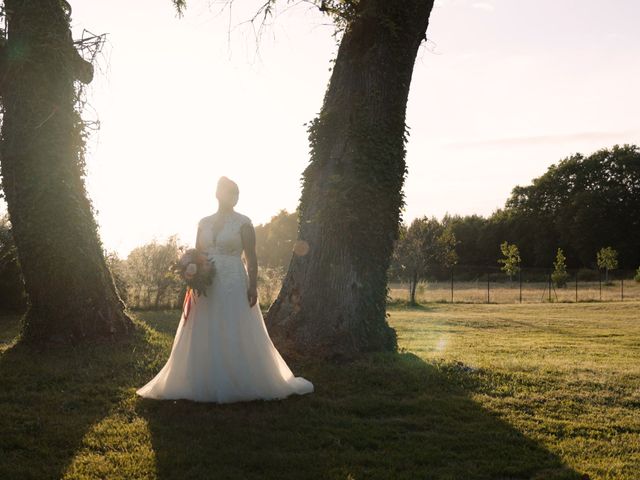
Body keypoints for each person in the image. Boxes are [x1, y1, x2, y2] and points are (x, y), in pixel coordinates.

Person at [136, 176, 314, 403]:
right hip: (206, 281)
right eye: (231, 193)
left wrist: (252, 285)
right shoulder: (204, 222)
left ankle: (239, 378)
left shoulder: (244, 223)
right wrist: (192, 273)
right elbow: (197, 252)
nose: (235, 198)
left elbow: (251, 256)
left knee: (232, 324)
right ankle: (200, 379)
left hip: (232, 280)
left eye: (237, 194)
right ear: (218, 194)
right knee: (204, 325)